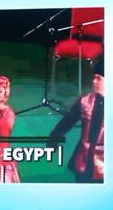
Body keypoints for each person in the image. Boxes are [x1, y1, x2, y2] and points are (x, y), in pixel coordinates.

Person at [45, 54, 106, 182]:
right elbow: (66, 123)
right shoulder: (85, 102)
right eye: (94, 77)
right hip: (85, 158)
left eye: (99, 78)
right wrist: (53, 140)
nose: (94, 82)